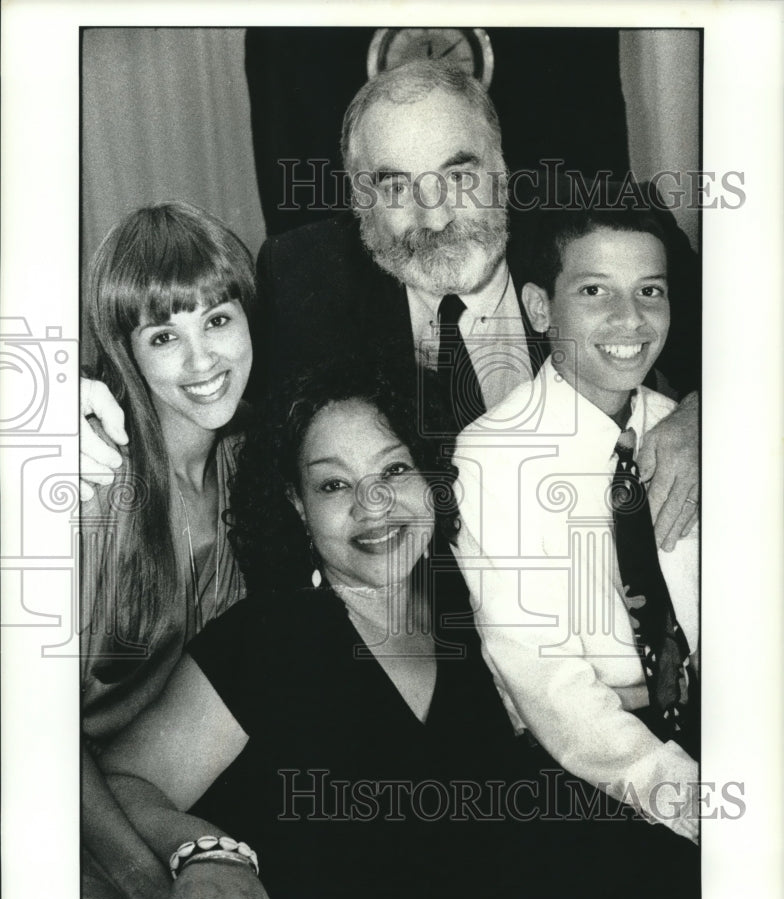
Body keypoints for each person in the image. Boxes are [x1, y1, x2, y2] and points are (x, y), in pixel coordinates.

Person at [79, 59, 700, 552]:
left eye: (458, 176)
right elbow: (205, 388)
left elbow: (749, 335)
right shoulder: (303, 277)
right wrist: (64, 421)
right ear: (358, 200)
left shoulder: (602, 231)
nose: (434, 216)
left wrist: (707, 414)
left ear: (504, 169)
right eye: (395, 185)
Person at [97, 360, 593, 899]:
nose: (373, 504)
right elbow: (124, 781)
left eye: (394, 468)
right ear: (298, 507)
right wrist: (206, 853)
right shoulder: (265, 638)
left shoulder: (476, 612)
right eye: (333, 485)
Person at [451, 202, 700, 899]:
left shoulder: (684, 427)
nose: (630, 317)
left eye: (650, 290)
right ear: (537, 305)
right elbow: (549, 686)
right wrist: (694, 799)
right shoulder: (494, 456)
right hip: (594, 766)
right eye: (595, 291)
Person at [80, 202, 259, 899]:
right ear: (126, 354)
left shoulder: (250, 465)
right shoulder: (93, 486)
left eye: (217, 320)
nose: (201, 362)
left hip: (151, 792)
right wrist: (147, 880)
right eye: (163, 336)